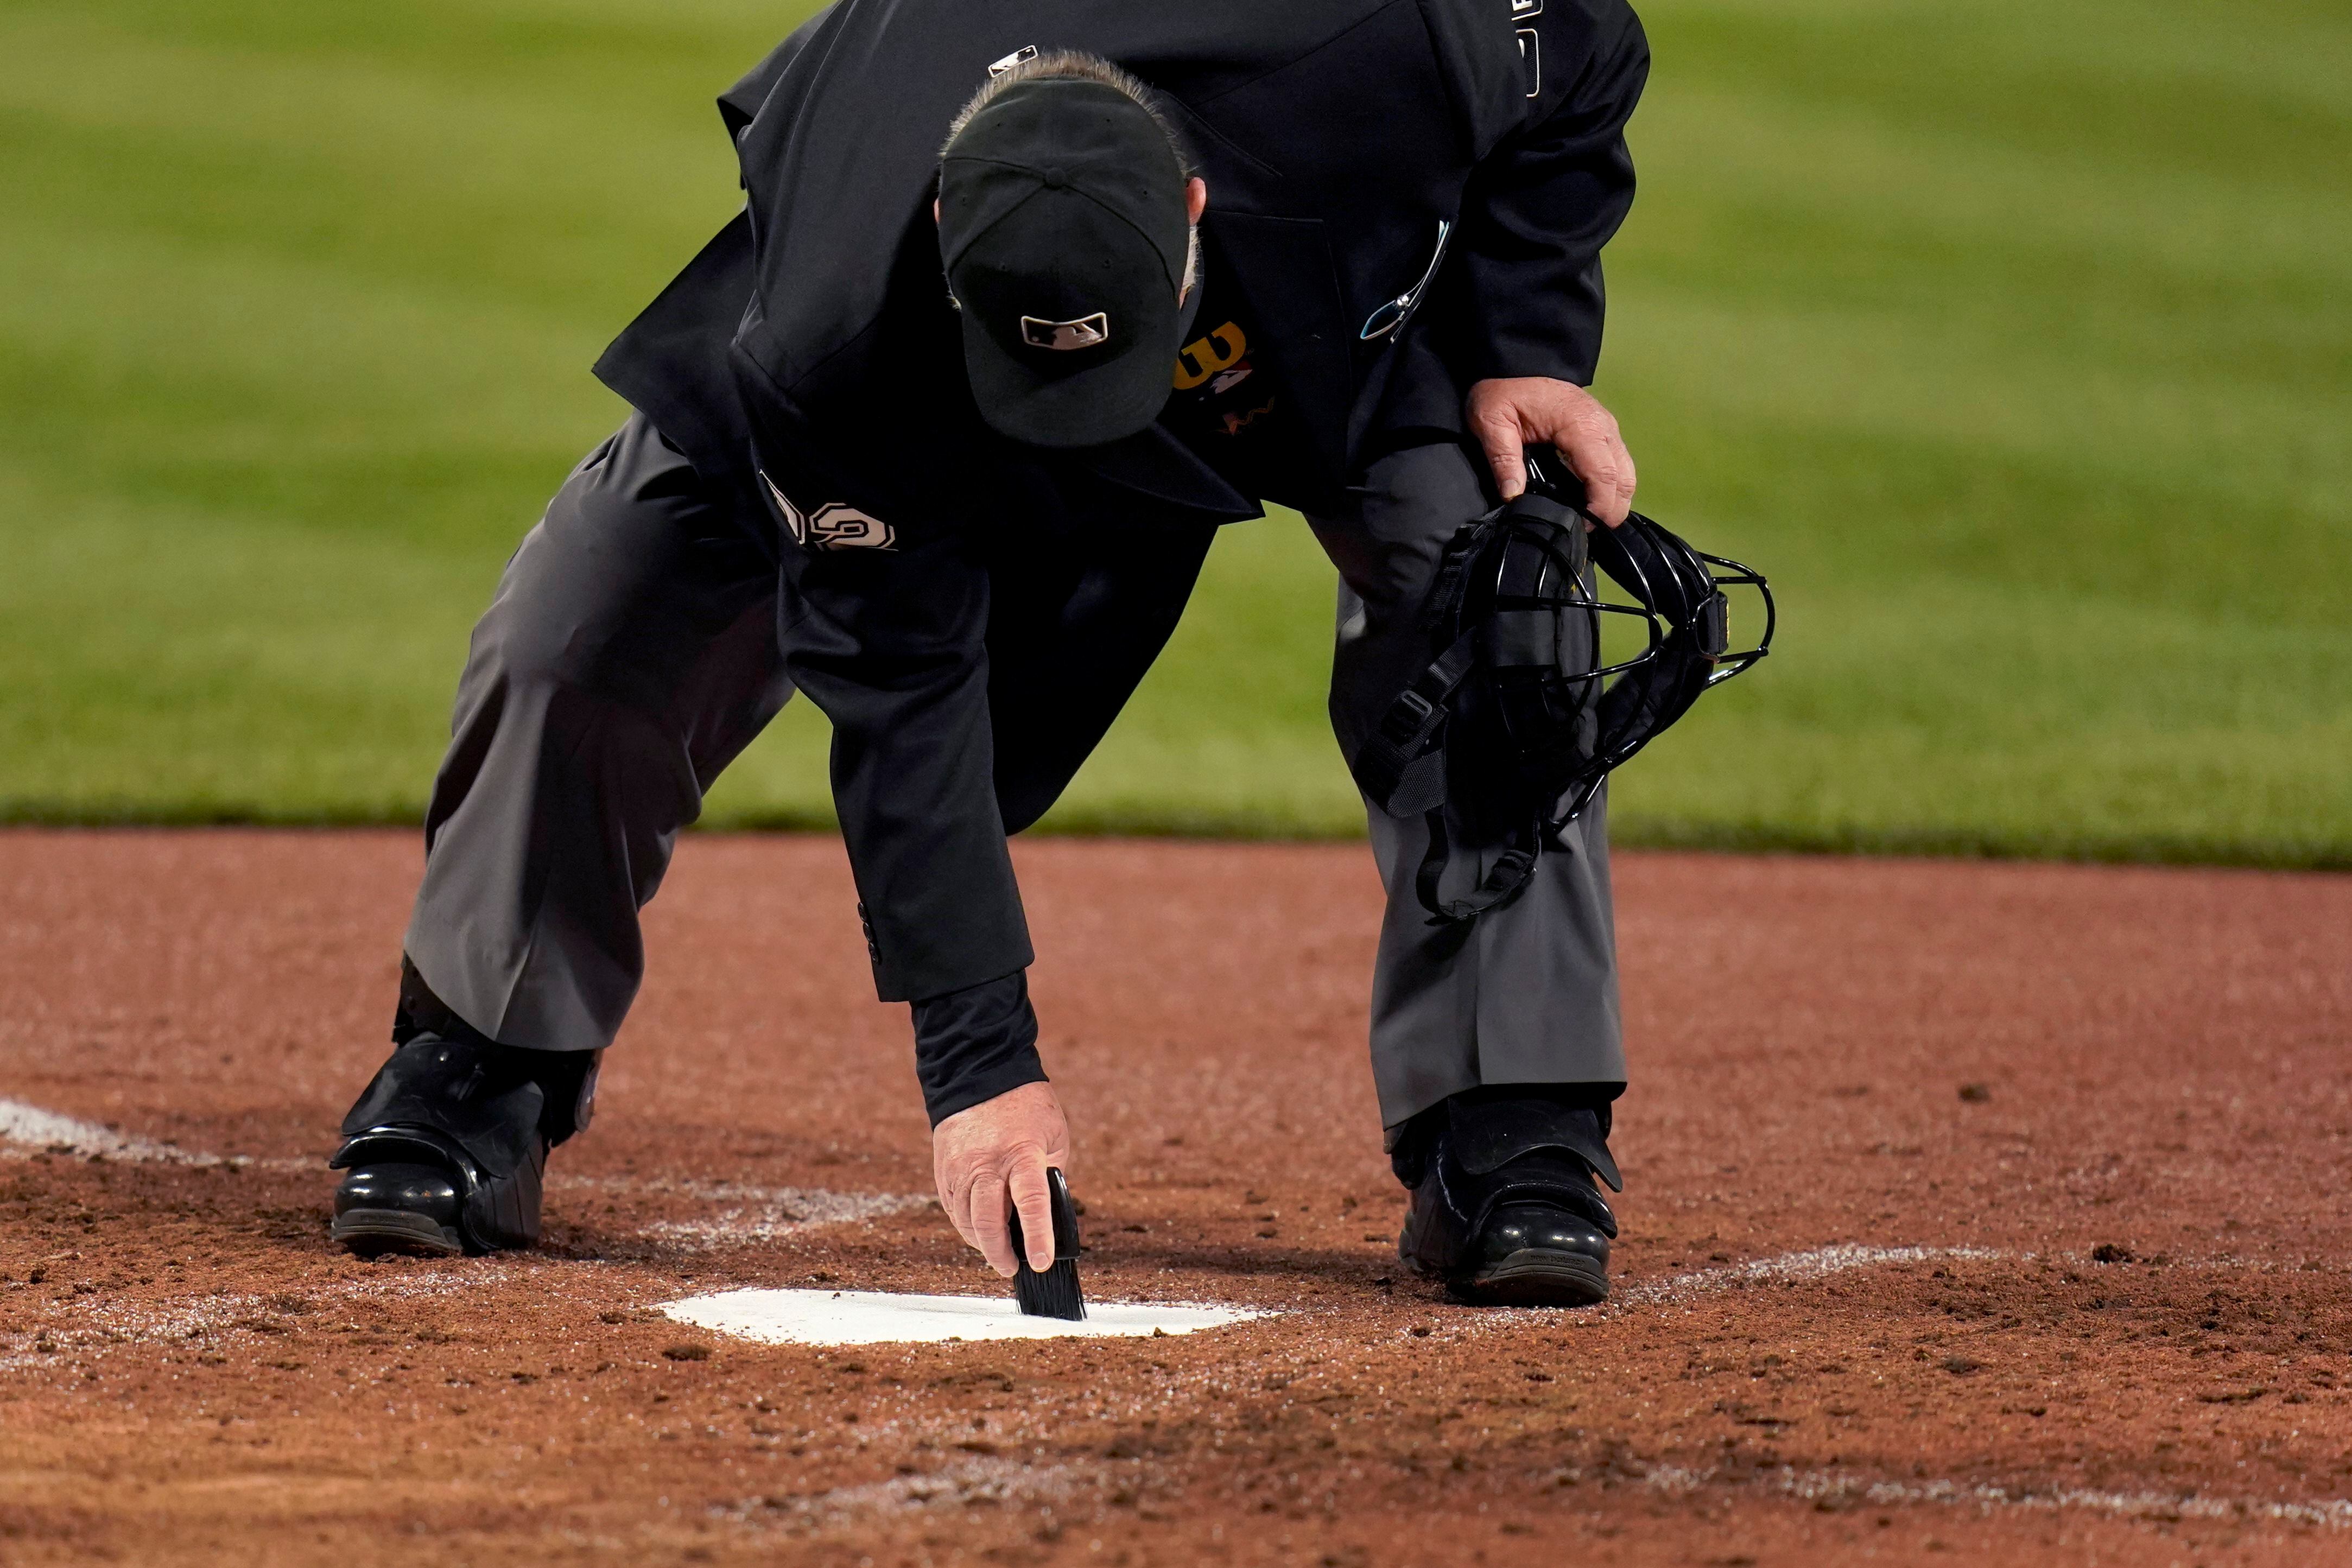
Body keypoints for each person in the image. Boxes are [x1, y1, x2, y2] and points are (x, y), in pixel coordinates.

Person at [327, 0, 1650, 1307]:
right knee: (595, 606)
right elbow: (901, 681)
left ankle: (1511, 1118)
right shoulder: (836, 303)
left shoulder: (1394, 41)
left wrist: (1518, 341)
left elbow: (1587, 48)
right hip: (909, 361)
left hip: (1308, 326)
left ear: (1191, 206)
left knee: (1492, 577)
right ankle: (481, 1059)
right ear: (949, 222)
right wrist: (980, 1068)